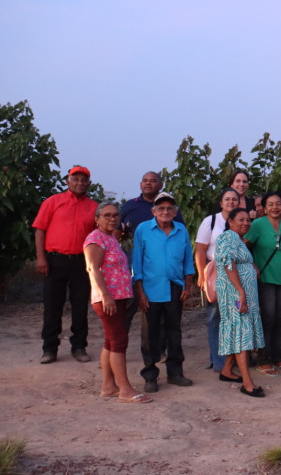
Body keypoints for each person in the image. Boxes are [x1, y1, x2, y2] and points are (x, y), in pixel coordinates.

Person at [83, 202, 151, 403]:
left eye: (115, 215)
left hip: (118, 297)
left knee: (110, 341)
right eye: (107, 215)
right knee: (119, 342)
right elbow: (92, 269)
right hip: (108, 299)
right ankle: (125, 390)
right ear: (97, 219)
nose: (112, 218)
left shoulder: (110, 238)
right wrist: (106, 296)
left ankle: (108, 386)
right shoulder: (95, 238)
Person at [33, 165, 98, 364]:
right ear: (67, 181)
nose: (80, 183)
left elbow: (99, 235)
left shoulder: (94, 207)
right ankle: (50, 348)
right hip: (55, 261)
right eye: (75, 179)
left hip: (82, 262)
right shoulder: (53, 202)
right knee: (52, 306)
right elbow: (39, 230)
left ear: (89, 183)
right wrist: (41, 257)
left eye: (83, 180)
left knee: (80, 306)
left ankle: (79, 347)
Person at [132, 192, 195, 393]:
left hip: (175, 288)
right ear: (153, 211)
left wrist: (188, 284)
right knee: (149, 333)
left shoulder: (180, 230)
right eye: (161, 208)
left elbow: (187, 259)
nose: (165, 212)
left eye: (169, 208)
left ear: (175, 212)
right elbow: (137, 262)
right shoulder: (143, 229)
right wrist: (140, 291)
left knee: (174, 331)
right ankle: (150, 375)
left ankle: (175, 373)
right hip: (150, 289)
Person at [245, 192, 281, 376]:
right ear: (264, 207)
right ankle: (263, 358)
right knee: (268, 319)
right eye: (270, 204)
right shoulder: (257, 225)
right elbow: (244, 245)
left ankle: (279, 357)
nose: (275, 207)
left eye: (278, 204)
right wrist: (252, 264)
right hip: (265, 279)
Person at [120, 171, 184, 332]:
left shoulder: (168, 208)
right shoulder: (130, 206)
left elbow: (179, 233)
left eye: (153, 181)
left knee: (153, 313)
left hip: (157, 272)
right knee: (127, 309)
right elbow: (116, 231)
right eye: (145, 180)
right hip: (131, 266)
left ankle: (154, 351)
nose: (148, 183)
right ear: (141, 184)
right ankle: (117, 349)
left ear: (160, 185)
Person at [216, 208, 266, 397]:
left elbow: (238, 261)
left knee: (238, 330)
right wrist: (241, 291)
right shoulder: (228, 237)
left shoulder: (237, 239)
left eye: (248, 220)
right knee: (242, 332)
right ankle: (247, 382)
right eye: (241, 219)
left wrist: (252, 267)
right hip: (234, 293)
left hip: (242, 293)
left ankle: (227, 370)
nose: (246, 223)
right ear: (230, 221)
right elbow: (228, 264)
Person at [195, 188, 240, 372]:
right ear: (221, 203)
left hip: (236, 272)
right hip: (214, 271)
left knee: (235, 316)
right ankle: (219, 361)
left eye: (234, 199)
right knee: (215, 316)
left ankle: (232, 358)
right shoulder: (211, 221)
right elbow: (199, 249)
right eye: (227, 199)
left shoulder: (242, 220)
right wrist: (201, 274)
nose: (231, 202)